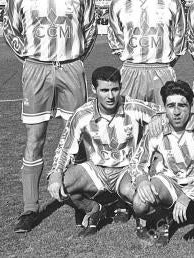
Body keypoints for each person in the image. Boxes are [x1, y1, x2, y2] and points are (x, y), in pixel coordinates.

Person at [3, 0, 98, 233]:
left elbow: (91, 26)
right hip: (37, 71)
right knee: (36, 139)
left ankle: (83, 201)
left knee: (81, 139)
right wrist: (30, 59)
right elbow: (10, 29)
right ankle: (30, 208)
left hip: (71, 69)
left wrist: (75, 58)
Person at [46, 66, 163, 236]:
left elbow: (166, 112)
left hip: (126, 171)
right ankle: (94, 209)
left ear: (120, 87)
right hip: (97, 171)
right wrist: (56, 174)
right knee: (60, 185)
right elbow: (65, 147)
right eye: (104, 90)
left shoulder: (133, 106)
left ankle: (133, 209)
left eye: (115, 89)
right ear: (94, 90)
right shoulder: (82, 114)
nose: (110, 96)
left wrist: (157, 118)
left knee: (142, 201)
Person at [130, 81, 194, 248]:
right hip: (169, 183)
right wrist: (141, 181)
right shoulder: (156, 127)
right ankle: (162, 219)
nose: (176, 112)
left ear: (191, 106)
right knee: (140, 203)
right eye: (171, 106)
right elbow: (137, 162)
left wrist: (187, 195)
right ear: (164, 107)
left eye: (182, 106)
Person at [108, 0, 186, 105]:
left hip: (163, 71)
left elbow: (180, 40)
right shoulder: (118, 3)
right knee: (130, 125)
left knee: (164, 125)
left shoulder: (172, 1)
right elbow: (116, 42)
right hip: (131, 72)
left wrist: (163, 64)